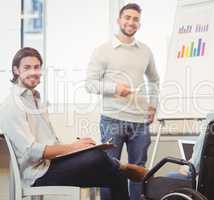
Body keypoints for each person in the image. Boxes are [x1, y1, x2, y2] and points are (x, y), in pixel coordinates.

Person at [0, 47, 148, 200]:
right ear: (16, 70)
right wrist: (73, 147)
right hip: (38, 175)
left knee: (116, 175)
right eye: (27, 67)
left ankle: (119, 168)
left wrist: (77, 148)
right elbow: (33, 151)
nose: (33, 72)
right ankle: (121, 165)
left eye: (36, 67)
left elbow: (50, 143)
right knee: (97, 157)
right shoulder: (11, 105)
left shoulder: (35, 99)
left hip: (52, 164)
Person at [85, 3, 159, 200]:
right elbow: (90, 84)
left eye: (135, 19)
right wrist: (114, 89)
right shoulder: (103, 50)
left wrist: (153, 105)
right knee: (110, 169)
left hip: (140, 120)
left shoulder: (145, 51)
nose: (131, 22)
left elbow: (154, 80)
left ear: (139, 24)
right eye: (127, 17)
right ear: (119, 20)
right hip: (112, 119)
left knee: (139, 170)